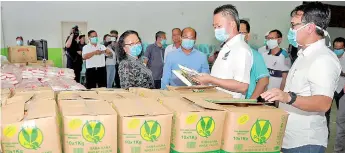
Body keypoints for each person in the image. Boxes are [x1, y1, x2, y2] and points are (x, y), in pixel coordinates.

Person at [261, 2, 341, 153]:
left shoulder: (323, 59)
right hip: (290, 138)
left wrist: (287, 97)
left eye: (294, 25)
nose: (291, 30)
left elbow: (323, 103)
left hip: (305, 142)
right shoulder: (304, 55)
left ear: (310, 27)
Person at [193, 4, 253, 99]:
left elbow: (243, 86)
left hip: (230, 107)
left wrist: (211, 79)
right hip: (218, 102)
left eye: (219, 26)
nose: (216, 30)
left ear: (232, 24)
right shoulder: (226, 47)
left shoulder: (241, 49)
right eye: (214, 27)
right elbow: (221, 77)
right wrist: (206, 81)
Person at [239, 19, 269, 99]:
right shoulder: (230, 54)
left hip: (246, 101)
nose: (238, 36)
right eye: (236, 33)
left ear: (247, 36)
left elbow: (263, 81)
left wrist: (251, 102)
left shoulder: (254, 55)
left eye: (241, 33)